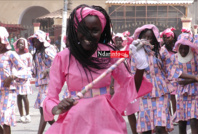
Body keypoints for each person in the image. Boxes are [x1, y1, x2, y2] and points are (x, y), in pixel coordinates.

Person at [43, 4, 152, 134]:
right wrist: (57, 107)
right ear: (76, 29)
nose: (88, 36)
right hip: (75, 121)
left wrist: (140, 66)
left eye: (95, 30)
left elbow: (130, 85)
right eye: (84, 30)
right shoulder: (64, 57)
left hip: (106, 120)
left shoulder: (105, 53)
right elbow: (50, 97)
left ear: (101, 32)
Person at [168, 33, 198, 134]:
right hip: (181, 94)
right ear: (177, 47)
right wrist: (194, 78)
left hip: (195, 94)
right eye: (181, 48)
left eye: (186, 48)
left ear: (190, 47)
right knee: (181, 123)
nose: (183, 51)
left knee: (194, 121)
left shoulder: (196, 57)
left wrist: (189, 81)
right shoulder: (174, 58)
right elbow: (173, 73)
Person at [0, 26, 30, 134]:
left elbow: (24, 70)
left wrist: (12, 76)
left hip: (8, 92)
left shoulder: (10, 54)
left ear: (4, 40)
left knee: (5, 119)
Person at [28, 30, 57, 134]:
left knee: (44, 109)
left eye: (37, 41)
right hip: (41, 84)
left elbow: (57, 63)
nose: (35, 43)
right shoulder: (37, 52)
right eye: (34, 41)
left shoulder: (49, 50)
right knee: (43, 110)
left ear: (42, 40)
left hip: (50, 83)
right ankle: (60, 129)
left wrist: (48, 70)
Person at [13, 37, 33, 123]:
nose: (20, 45)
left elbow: (30, 66)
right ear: (16, 44)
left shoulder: (28, 55)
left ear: (25, 45)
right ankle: (21, 116)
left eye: (22, 43)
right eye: (19, 43)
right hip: (17, 78)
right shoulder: (14, 55)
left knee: (25, 96)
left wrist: (28, 74)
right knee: (18, 97)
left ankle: (27, 115)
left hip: (25, 78)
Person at [160, 27, 177, 116]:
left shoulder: (177, 48)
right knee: (169, 96)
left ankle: (175, 115)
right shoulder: (162, 50)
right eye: (165, 38)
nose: (166, 39)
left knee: (174, 96)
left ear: (173, 37)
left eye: (168, 37)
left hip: (177, 75)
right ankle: (170, 116)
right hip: (166, 76)